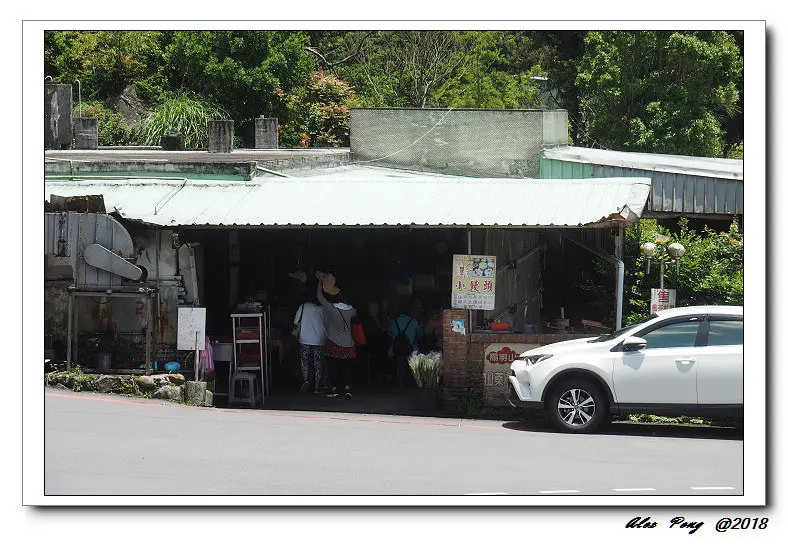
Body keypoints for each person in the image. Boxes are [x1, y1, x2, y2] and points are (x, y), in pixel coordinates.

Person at [316, 271, 358, 399]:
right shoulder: (351, 309)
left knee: (333, 367)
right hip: (348, 343)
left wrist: (319, 283)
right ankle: (347, 388)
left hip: (333, 342)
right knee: (346, 367)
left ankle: (334, 388)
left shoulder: (330, 308)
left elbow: (319, 296)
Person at [293, 282, 327, 394]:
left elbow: (295, 321)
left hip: (305, 338)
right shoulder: (323, 309)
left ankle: (306, 380)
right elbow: (327, 323)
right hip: (319, 339)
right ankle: (317, 387)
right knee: (318, 363)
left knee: (305, 361)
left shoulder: (303, 307)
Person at [388, 301, 423, 387]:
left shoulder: (393, 321)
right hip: (411, 349)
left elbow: (389, 334)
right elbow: (420, 334)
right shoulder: (413, 321)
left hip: (395, 349)